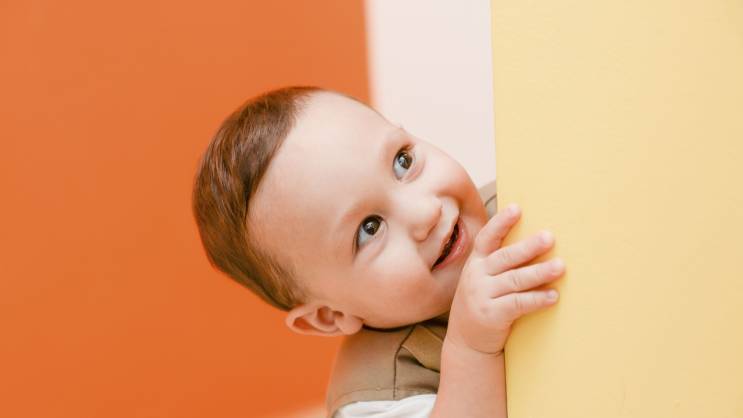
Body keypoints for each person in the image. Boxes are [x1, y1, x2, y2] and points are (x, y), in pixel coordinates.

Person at [191, 86, 566, 417]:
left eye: (403, 161)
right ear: (329, 316)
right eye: (369, 228)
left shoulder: (515, 203)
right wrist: (471, 348)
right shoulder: (376, 397)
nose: (424, 212)